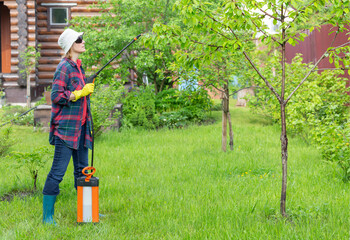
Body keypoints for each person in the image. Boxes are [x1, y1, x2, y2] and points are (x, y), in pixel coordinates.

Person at [42, 28, 94, 225]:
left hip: (80, 128)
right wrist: (79, 93)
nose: (83, 42)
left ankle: (87, 212)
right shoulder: (64, 67)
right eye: (79, 40)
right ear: (71, 45)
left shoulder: (78, 67)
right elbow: (56, 96)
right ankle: (48, 217)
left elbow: (78, 91)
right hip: (66, 129)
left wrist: (86, 90)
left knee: (83, 171)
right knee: (57, 172)